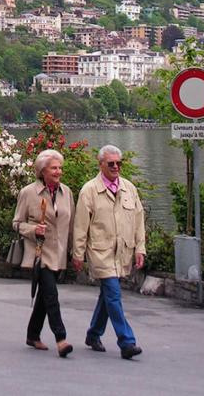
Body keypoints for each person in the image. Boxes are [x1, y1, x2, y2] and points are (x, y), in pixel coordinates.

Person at [72, 144, 146, 360]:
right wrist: (78, 254)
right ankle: (127, 342)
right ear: (101, 164)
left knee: (108, 295)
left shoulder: (129, 189)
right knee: (113, 294)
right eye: (111, 163)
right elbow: (80, 226)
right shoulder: (89, 190)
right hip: (100, 252)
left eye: (118, 163)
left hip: (122, 251)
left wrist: (140, 248)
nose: (115, 167)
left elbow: (139, 221)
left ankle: (93, 334)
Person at [12, 149, 75, 357]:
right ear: (42, 171)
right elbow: (17, 224)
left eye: (60, 168)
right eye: (54, 168)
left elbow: (72, 225)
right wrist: (33, 230)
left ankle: (32, 334)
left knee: (44, 297)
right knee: (51, 294)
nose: (58, 172)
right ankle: (61, 338)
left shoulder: (67, 193)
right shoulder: (28, 193)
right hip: (40, 253)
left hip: (59, 253)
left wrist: (76, 252)